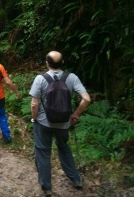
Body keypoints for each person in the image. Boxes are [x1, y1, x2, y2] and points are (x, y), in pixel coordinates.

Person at [29, 51, 91, 197]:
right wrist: (75, 114)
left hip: (44, 123)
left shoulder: (40, 79)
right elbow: (86, 99)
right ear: (62, 63)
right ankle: (76, 179)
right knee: (63, 148)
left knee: (43, 153)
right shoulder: (71, 77)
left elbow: (33, 104)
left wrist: (35, 118)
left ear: (47, 63)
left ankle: (47, 187)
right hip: (63, 123)